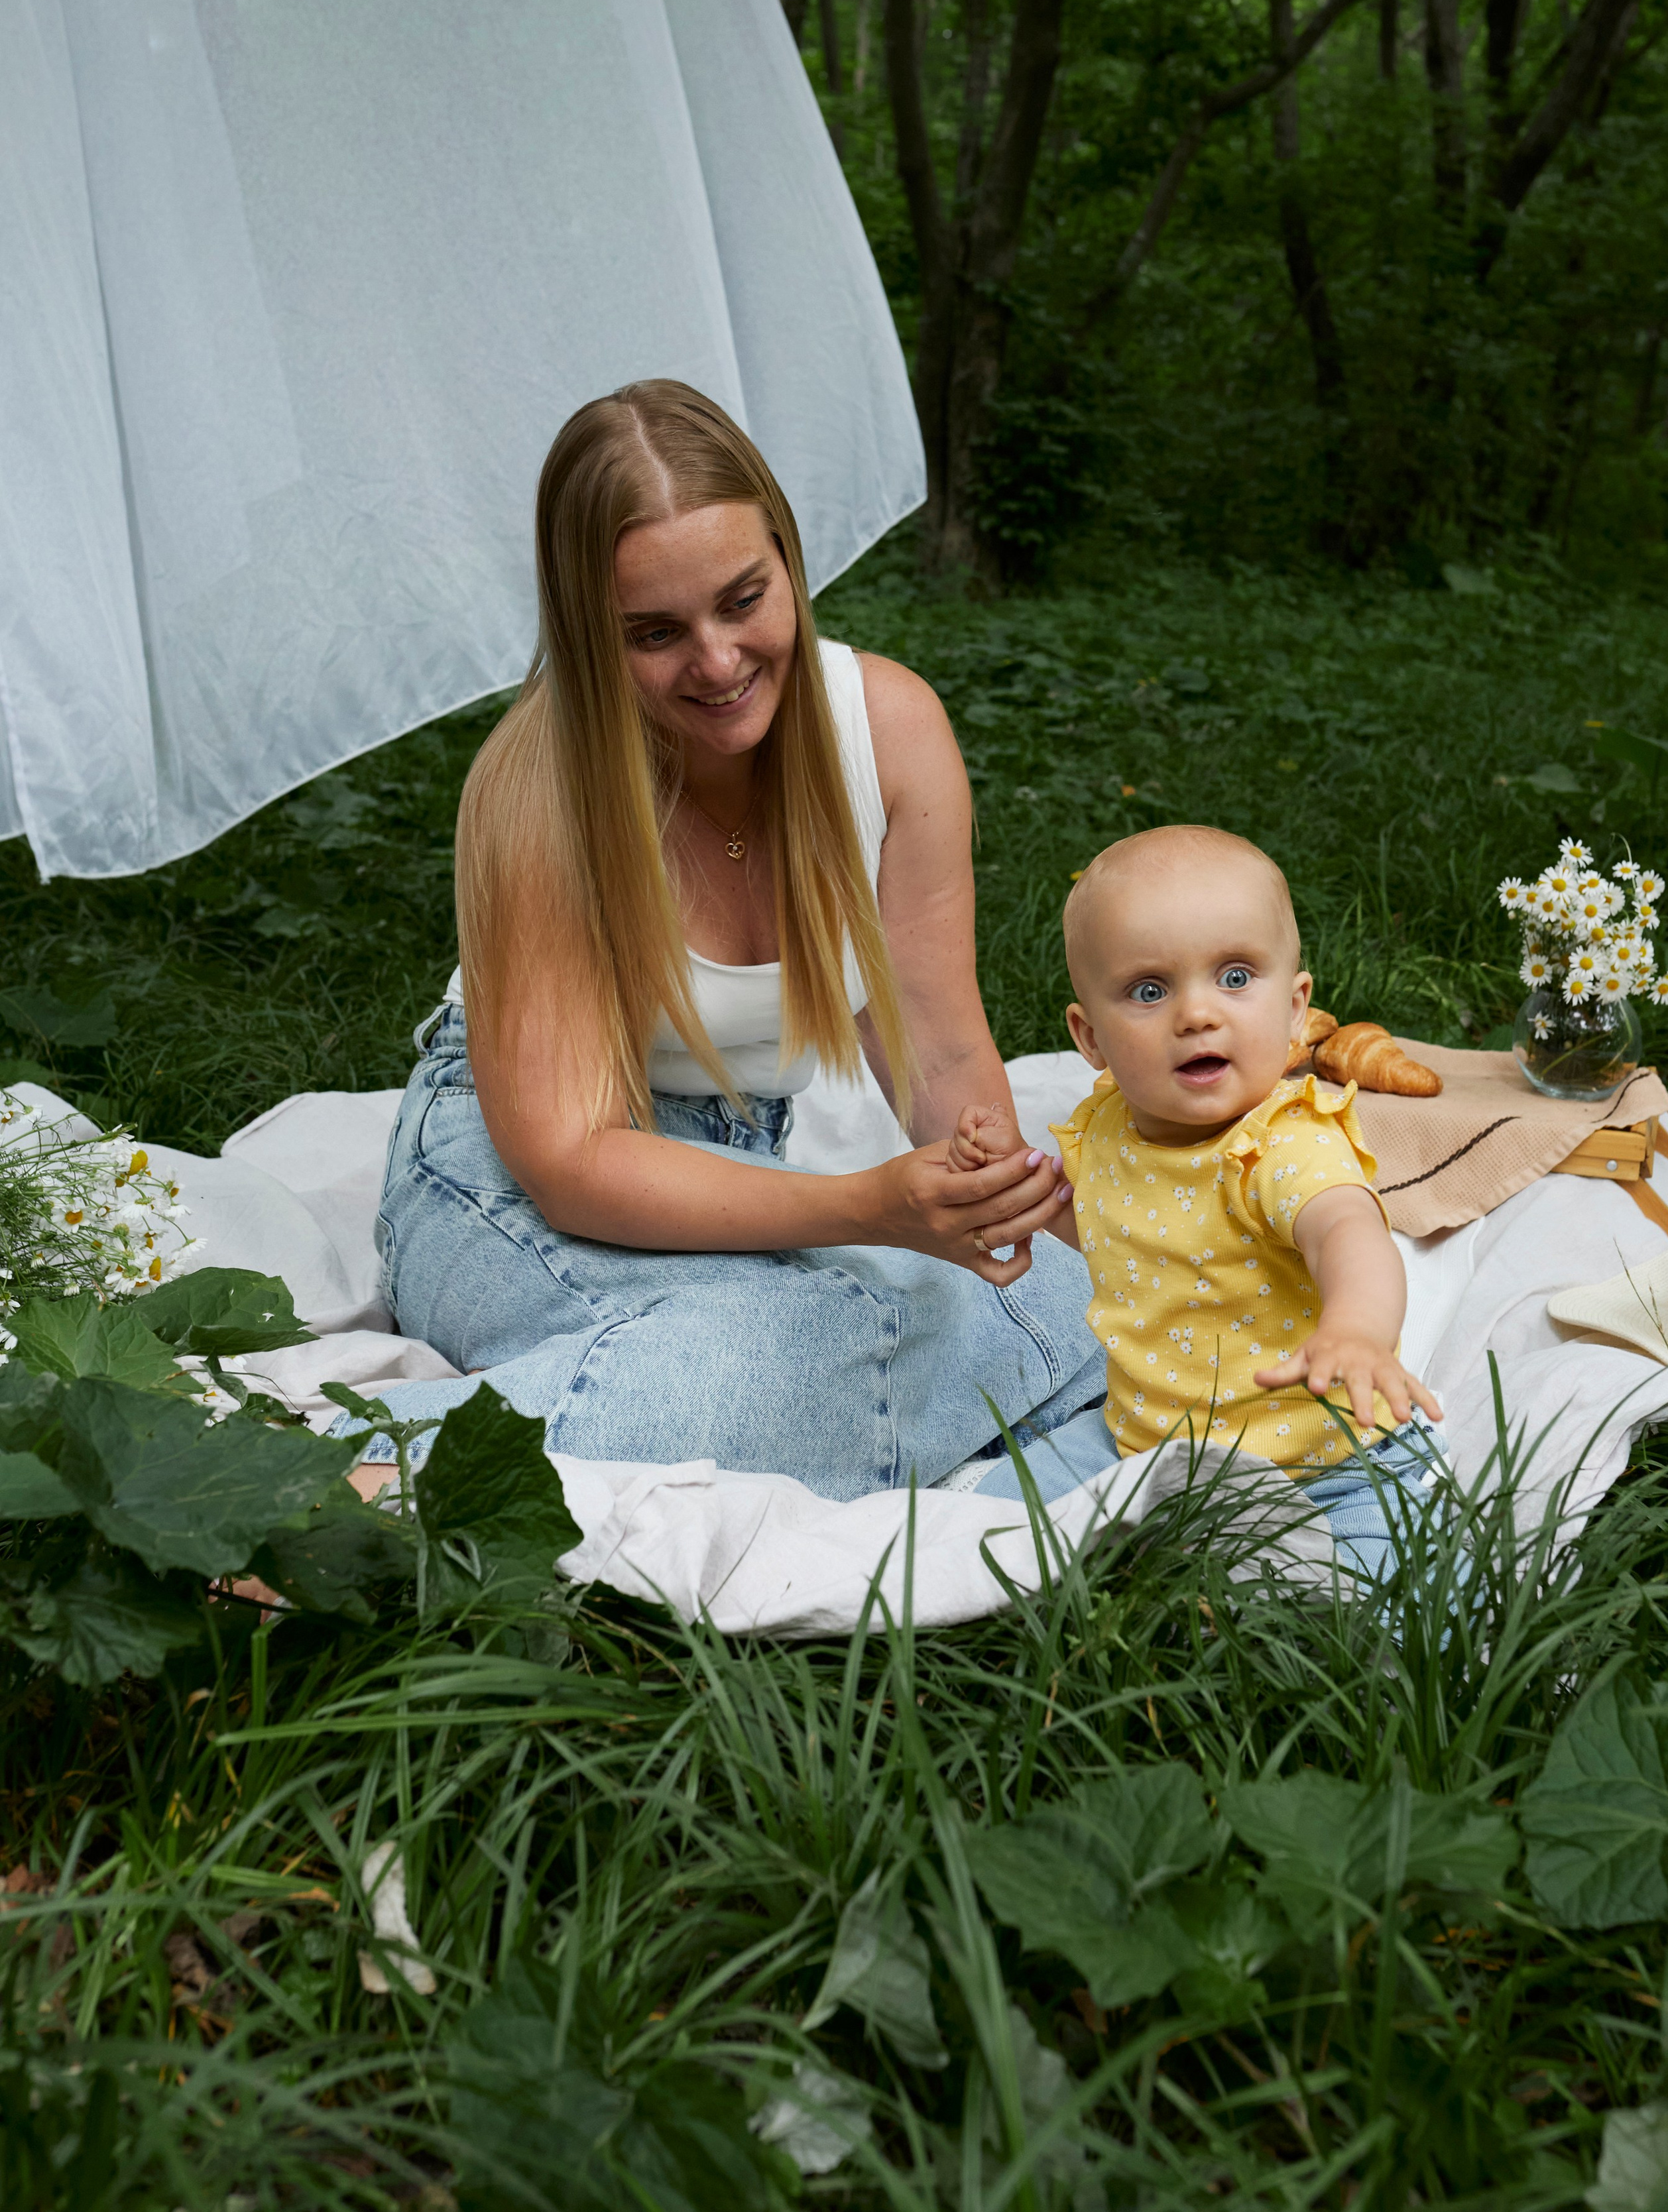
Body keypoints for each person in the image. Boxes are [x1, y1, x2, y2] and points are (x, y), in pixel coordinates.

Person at [340, 380, 1104, 1502]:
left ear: (788, 563)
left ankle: (695, 1410)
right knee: (786, 1350)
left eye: (743, 599)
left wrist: (995, 1206)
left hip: (732, 1161)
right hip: (502, 1181)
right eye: (653, 634)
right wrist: (872, 1207)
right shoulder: (540, 787)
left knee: (1069, 1307)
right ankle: (337, 1483)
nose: (716, 662)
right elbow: (573, 1164)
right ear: (588, 636)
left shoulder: (890, 732)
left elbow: (939, 1053)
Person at [945, 825, 1448, 1570]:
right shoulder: (1109, 1132)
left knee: (1387, 1609)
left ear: (1294, 1007)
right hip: (1144, 1443)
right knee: (977, 1543)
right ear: (1090, 1038)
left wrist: (1355, 1331)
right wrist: (1016, 1183)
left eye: (1236, 977)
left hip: (1329, 1460)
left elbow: (1348, 1230)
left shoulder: (1281, 1143)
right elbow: (1114, 1229)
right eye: (1149, 990)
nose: (1197, 1014)